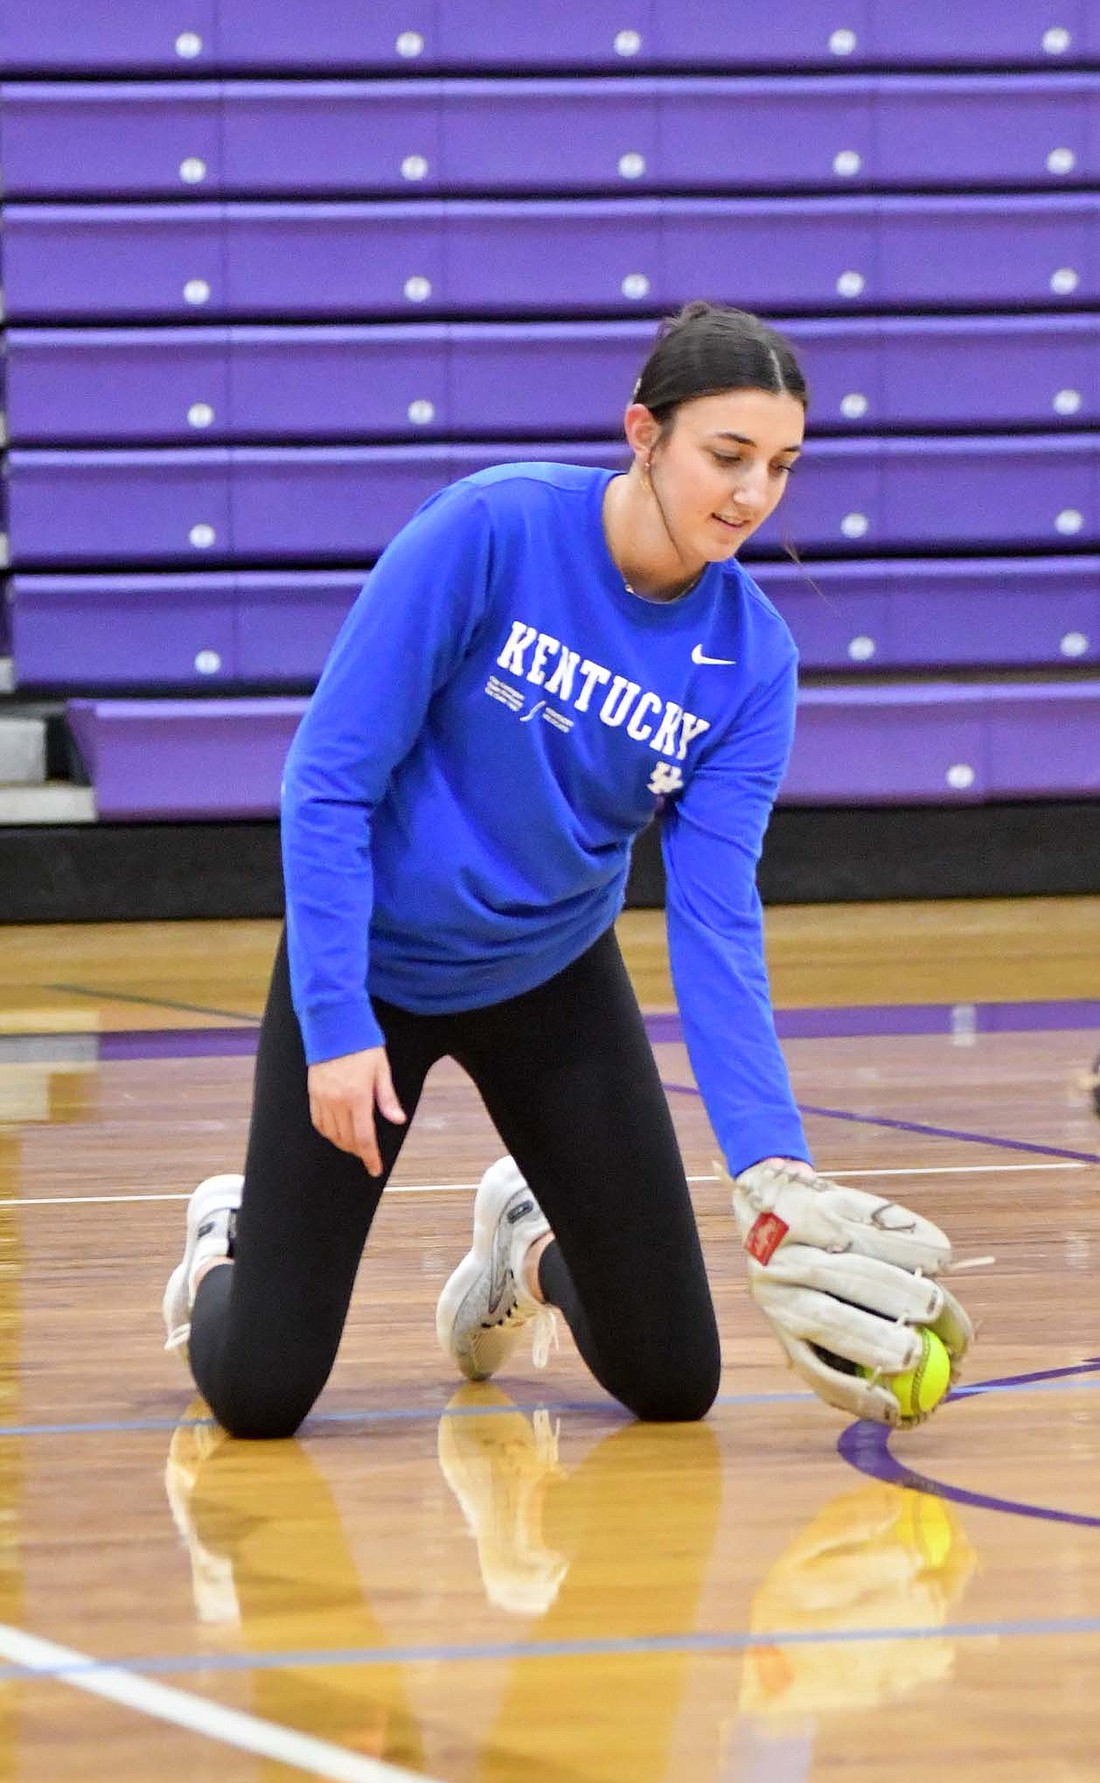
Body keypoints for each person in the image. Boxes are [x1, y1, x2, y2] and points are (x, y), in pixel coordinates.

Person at [162, 300, 972, 1440]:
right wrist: (336, 1021)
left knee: (670, 1379)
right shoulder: (490, 530)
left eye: (780, 466)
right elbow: (327, 781)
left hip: (549, 978)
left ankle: (523, 1246)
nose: (750, 495)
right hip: (374, 976)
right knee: (259, 1393)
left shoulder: (750, 664)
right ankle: (218, 1247)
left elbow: (713, 916)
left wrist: (770, 1162)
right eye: (725, 456)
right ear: (643, 431)